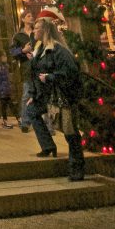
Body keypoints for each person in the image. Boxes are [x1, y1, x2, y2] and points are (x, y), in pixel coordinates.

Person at [29, 18, 85, 181]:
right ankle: (48, 145)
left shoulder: (58, 50)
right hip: (46, 95)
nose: (34, 31)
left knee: (70, 132)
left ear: (45, 30)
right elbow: (33, 74)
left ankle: (76, 167)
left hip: (61, 96)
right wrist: (34, 95)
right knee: (32, 111)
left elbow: (71, 72)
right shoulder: (39, 50)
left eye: (37, 28)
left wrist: (51, 77)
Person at [10, 14, 36, 132]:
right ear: (23, 19)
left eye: (32, 16)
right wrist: (23, 51)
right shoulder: (18, 36)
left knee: (41, 94)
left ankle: (45, 122)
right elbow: (12, 52)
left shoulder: (37, 33)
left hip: (39, 66)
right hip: (27, 68)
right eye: (29, 16)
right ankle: (25, 122)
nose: (31, 18)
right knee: (26, 95)